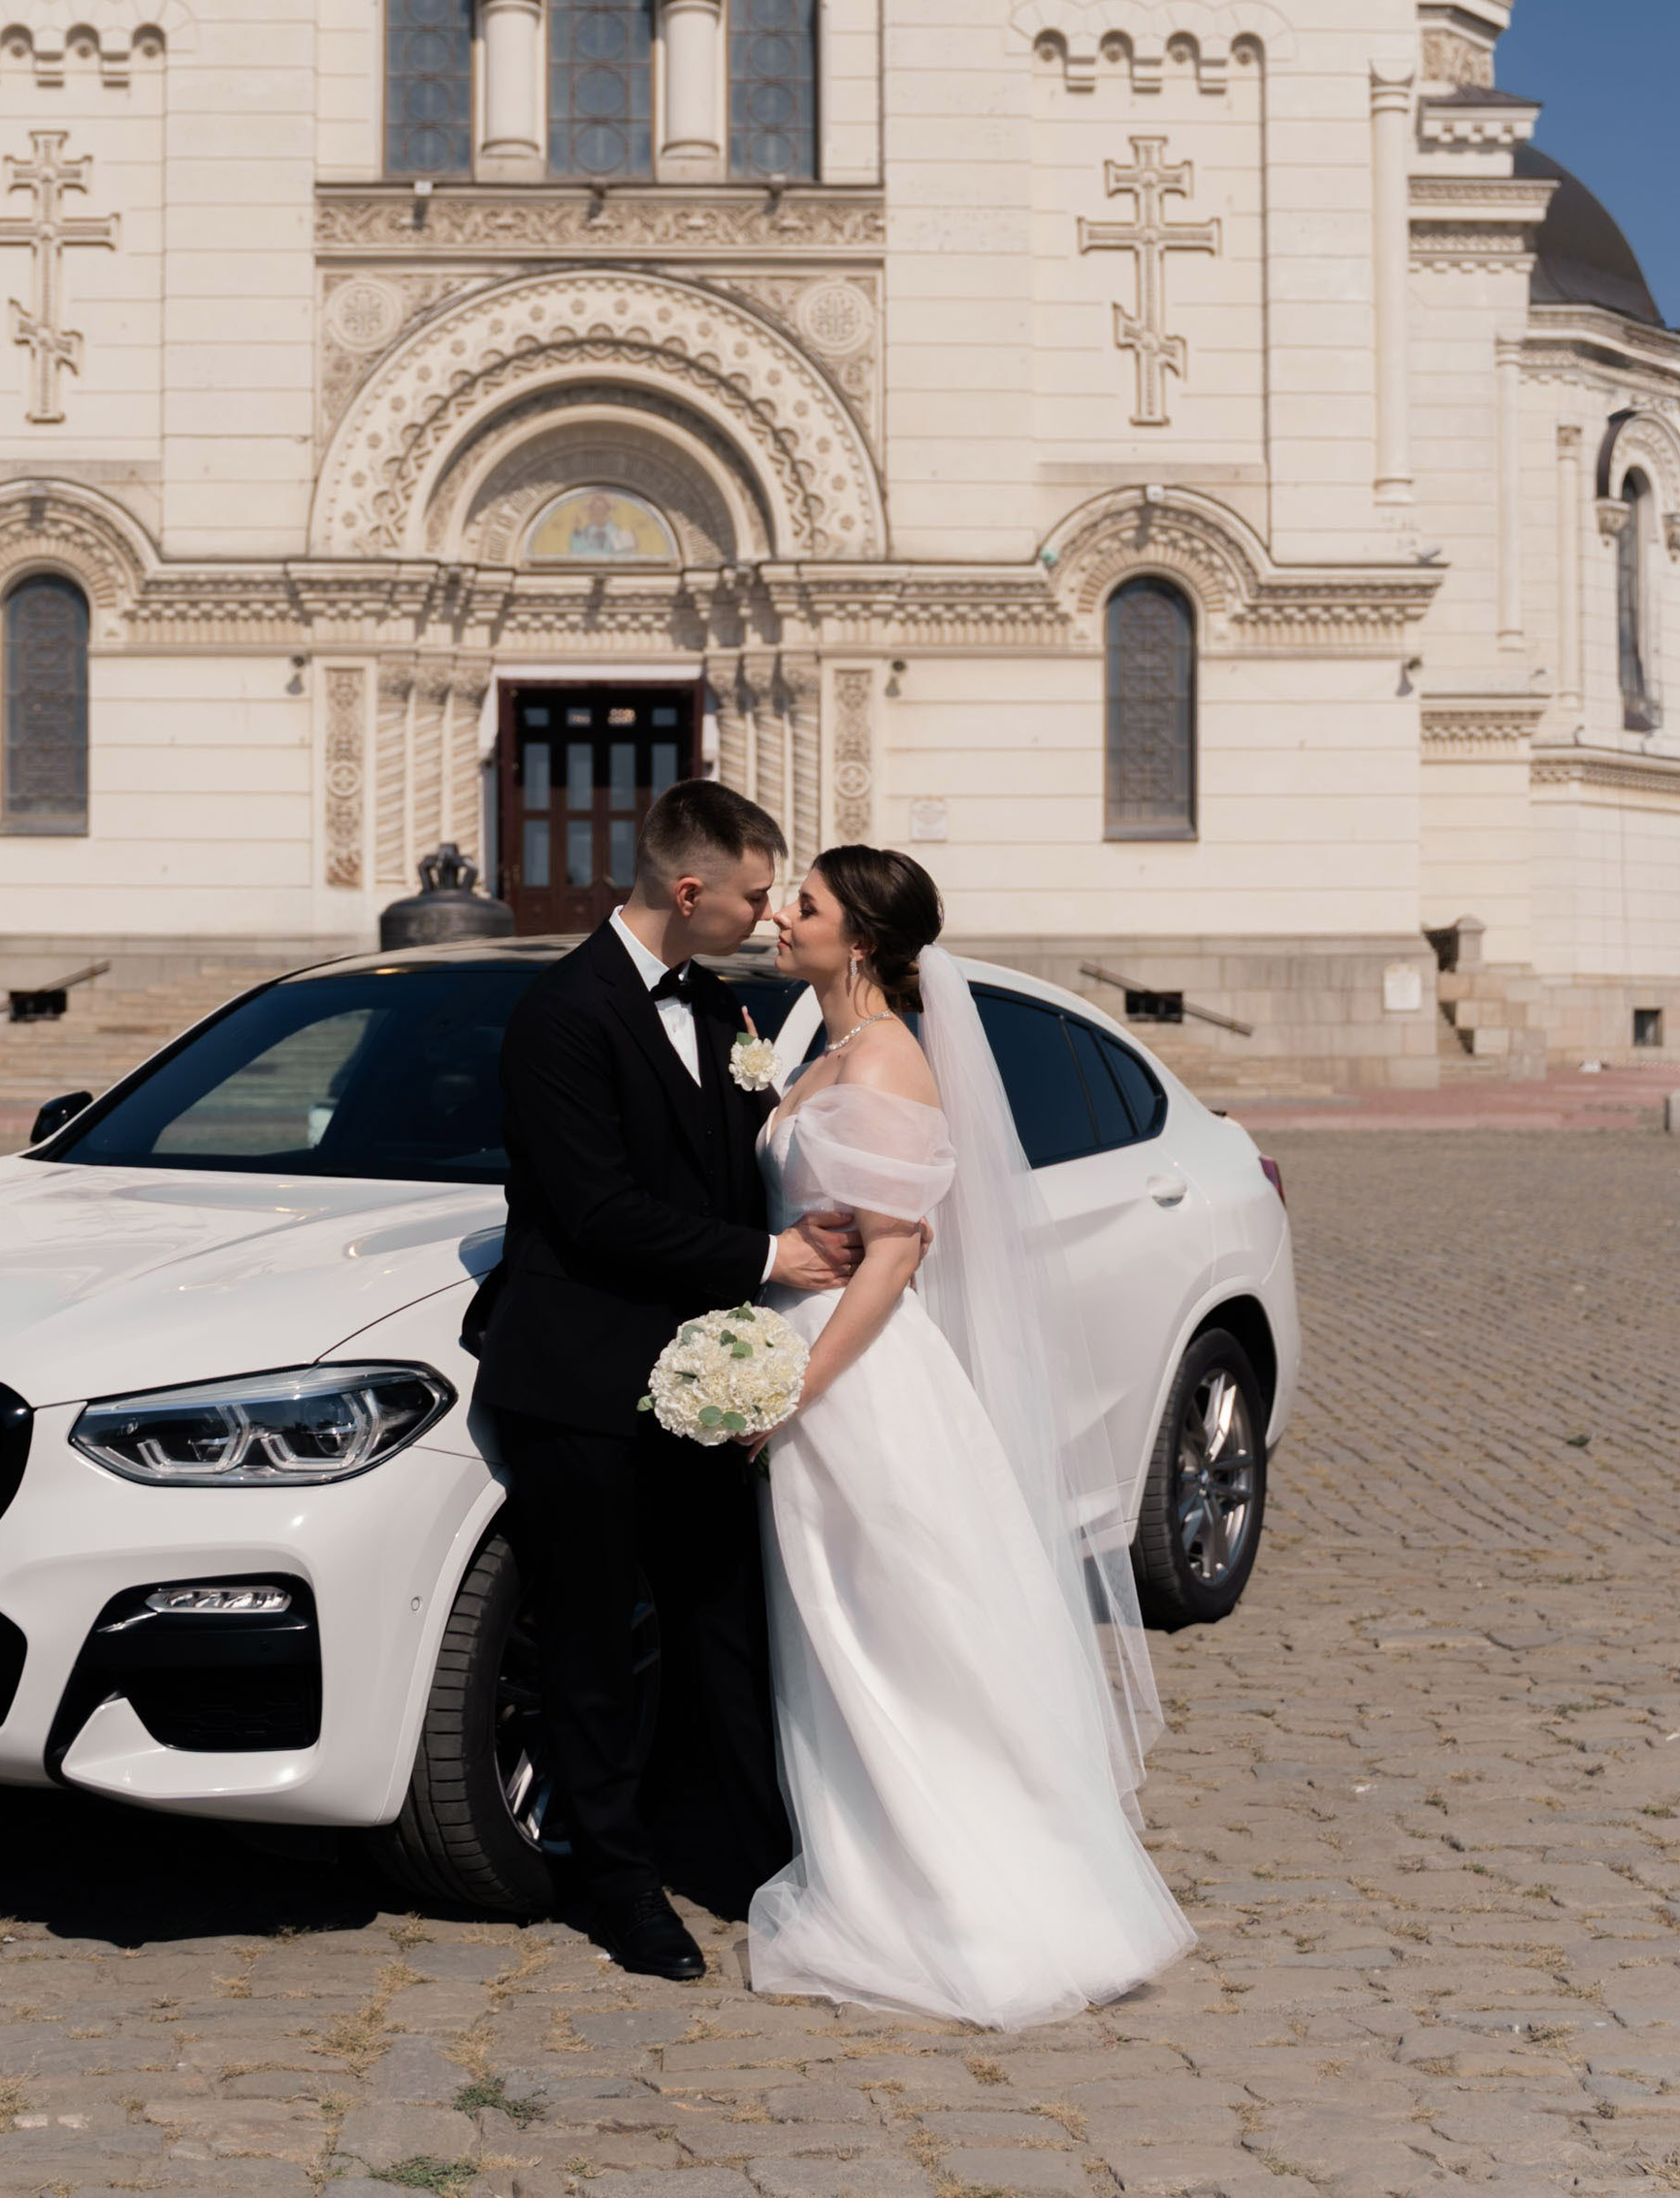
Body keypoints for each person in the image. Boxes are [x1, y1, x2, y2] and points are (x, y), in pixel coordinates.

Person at [744, 844, 1194, 2027]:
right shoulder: (820, 1045)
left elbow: (891, 1254)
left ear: (867, 942)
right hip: (809, 1353)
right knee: (842, 1630)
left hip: (859, 1380)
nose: (781, 915)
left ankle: (966, 1901)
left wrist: (796, 1387)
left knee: (898, 1630)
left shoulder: (888, 1063)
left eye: (806, 904)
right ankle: (873, 1864)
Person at [473, 782, 860, 1983]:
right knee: (588, 1645)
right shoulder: (561, 1013)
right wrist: (769, 1258)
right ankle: (618, 1884)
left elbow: (736, 1163)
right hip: (583, 1379)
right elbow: (592, 1212)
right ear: (689, 891)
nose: (766, 915)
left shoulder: (724, 1006)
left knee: (720, 1626)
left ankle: (754, 1856)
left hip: (711, 1378)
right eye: (755, 895)